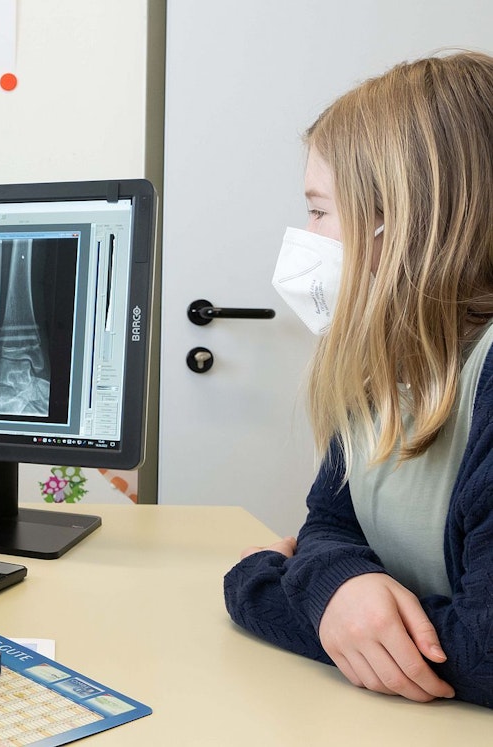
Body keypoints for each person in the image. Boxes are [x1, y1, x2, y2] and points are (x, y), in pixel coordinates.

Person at [224, 50, 493, 709]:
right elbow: (330, 523)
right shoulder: (387, 363)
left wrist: (262, 583)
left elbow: (485, 652)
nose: (305, 236)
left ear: (400, 221)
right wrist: (337, 584)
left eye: (319, 212)